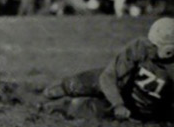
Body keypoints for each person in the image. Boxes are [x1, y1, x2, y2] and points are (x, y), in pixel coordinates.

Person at [41, 17, 174, 121]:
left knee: (79, 107)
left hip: (133, 108)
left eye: (154, 45)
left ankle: (51, 107)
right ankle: (51, 92)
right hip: (119, 86)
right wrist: (117, 103)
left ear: (169, 50)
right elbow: (108, 76)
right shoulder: (140, 47)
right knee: (77, 83)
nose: (149, 46)